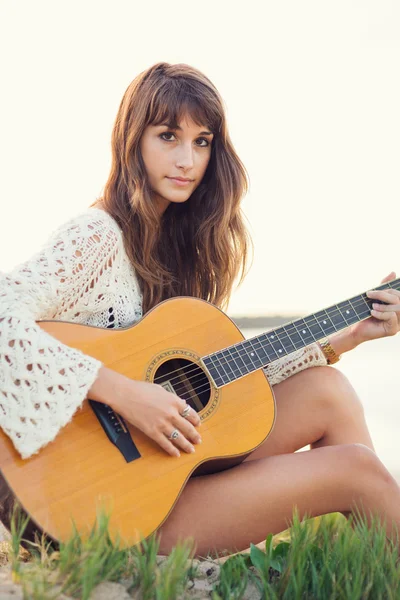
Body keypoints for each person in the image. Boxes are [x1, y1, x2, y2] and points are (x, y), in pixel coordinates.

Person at [1, 62, 400, 557]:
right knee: (356, 469)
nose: (186, 159)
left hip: (167, 474)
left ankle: (368, 569)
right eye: (168, 136)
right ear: (133, 141)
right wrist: (126, 395)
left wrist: (351, 335)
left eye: (202, 141)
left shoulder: (177, 252)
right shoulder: (97, 236)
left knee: (328, 390)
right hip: (105, 506)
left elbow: (222, 382)